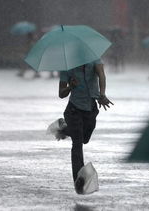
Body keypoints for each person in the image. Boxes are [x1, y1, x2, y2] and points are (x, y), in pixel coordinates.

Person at [56, 60, 113, 194]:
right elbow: (61, 93)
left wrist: (102, 94)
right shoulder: (67, 67)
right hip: (73, 111)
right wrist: (71, 86)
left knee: (84, 139)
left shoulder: (94, 59)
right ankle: (79, 180)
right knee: (77, 144)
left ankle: (62, 128)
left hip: (91, 109)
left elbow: (102, 75)